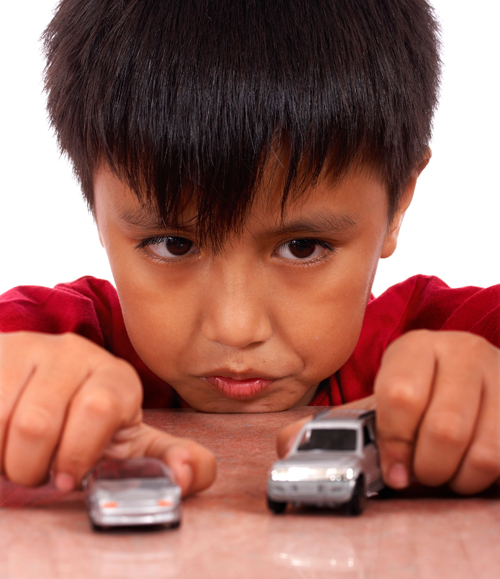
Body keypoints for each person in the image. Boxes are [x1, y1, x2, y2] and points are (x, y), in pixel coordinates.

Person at [1, 0, 499, 499]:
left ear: (398, 204)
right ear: (97, 206)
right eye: (174, 245)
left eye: (302, 248)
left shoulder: (465, 340)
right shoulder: (49, 340)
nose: (236, 329)